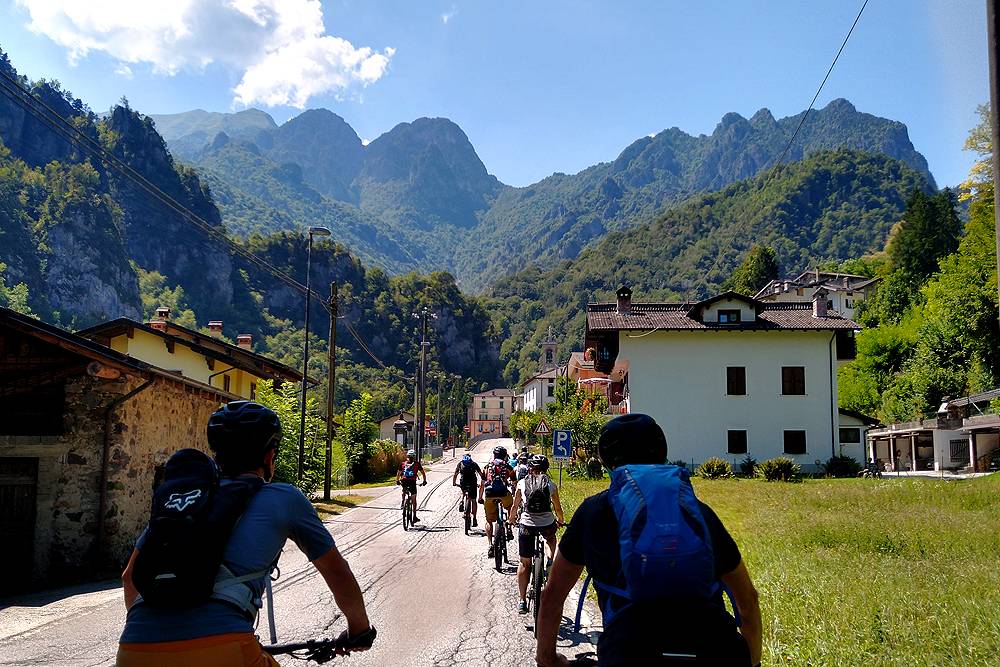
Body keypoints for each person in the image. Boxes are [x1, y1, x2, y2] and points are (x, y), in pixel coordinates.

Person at [117, 400, 374, 666]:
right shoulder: (285, 498)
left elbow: (129, 578)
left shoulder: (186, 499)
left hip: (134, 647)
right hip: (222, 645)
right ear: (269, 456)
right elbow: (336, 571)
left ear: (217, 454)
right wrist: (359, 630)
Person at [535, 414, 762, 667]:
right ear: (662, 453)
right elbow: (748, 601)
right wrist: (753, 662)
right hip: (715, 649)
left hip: (628, 651)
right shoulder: (698, 513)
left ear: (606, 460)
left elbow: (552, 596)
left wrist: (548, 659)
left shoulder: (592, 513)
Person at [508, 454, 563, 614]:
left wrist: (511, 519)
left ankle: (522, 601)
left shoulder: (522, 483)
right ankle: (550, 560)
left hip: (527, 525)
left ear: (530, 469)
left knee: (524, 563)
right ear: (546, 469)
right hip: (547, 523)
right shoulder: (551, 485)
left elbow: (515, 505)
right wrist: (560, 520)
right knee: (550, 538)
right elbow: (557, 507)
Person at [481, 445, 516, 558]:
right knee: (511, 506)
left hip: (489, 494)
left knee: (489, 521)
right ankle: (509, 526)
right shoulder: (507, 466)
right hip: (503, 493)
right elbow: (514, 481)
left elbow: (482, 484)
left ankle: (490, 544)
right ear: (505, 456)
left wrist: (480, 497)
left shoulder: (487, 466)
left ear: (494, 455)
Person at [452, 453, 484, 526]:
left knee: (463, 492)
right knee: (473, 500)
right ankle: (474, 518)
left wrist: (454, 483)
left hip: (463, 482)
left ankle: (462, 501)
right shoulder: (474, 464)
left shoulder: (460, 463)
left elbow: (455, 474)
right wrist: (483, 481)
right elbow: (481, 474)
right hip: (472, 483)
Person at [397, 449, 428, 523]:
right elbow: (423, 473)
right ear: (414, 457)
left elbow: (398, 473)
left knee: (404, 489)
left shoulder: (403, 464)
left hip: (404, 481)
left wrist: (397, 480)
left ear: (407, 456)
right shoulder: (417, 464)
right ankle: (414, 517)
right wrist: (424, 481)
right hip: (412, 482)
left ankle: (403, 501)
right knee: (414, 500)